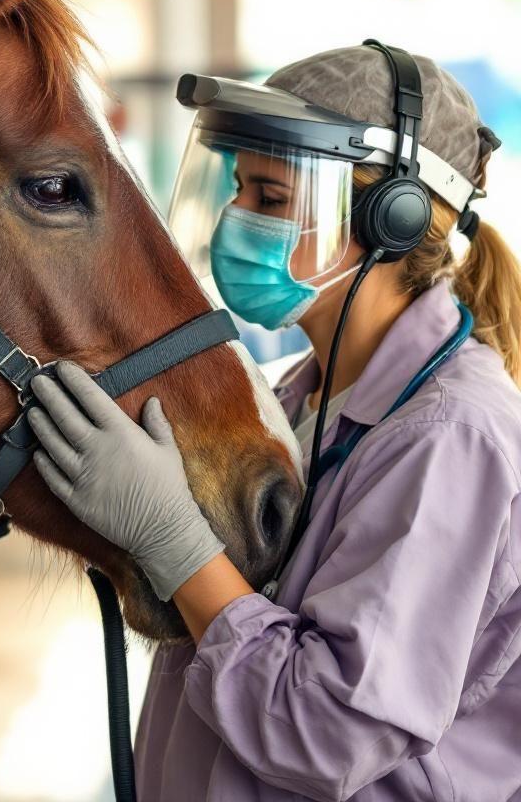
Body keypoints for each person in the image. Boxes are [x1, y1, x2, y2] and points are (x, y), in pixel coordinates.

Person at [27, 44, 521, 800]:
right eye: (237, 189)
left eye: (270, 195)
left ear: (390, 219)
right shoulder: (300, 398)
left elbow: (328, 733)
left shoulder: (449, 436)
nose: (235, 219)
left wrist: (175, 544)